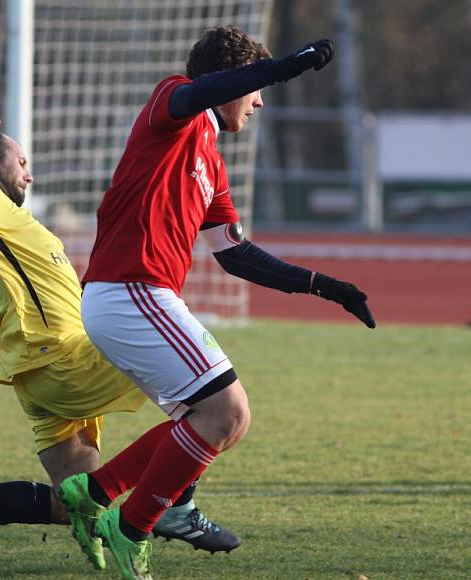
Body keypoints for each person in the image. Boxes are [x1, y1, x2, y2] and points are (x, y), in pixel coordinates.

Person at [58, 26, 375, 580]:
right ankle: (132, 528)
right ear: (228, 82)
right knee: (228, 413)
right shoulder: (173, 104)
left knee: (204, 421)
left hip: (134, 298)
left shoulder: (213, 161)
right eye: (253, 88)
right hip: (130, 291)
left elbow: (237, 255)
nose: (258, 102)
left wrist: (327, 286)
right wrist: (285, 66)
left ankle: (95, 491)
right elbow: (201, 92)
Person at [0, 109, 241, 569]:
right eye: (20, 162)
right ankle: (177, 506)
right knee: (208, 398)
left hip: (41, 372)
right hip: (64, 360)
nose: (28, 172)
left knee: (74, 503)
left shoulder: (8, 221)